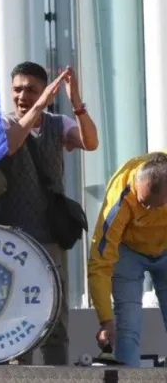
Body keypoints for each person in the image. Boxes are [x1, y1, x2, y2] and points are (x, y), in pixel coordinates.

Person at [0, 61, 99, 365]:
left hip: (50, 236)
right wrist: (39, 105)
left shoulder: (57, 123)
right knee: (15, 316)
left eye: (31, 89)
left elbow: (90, 142)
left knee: (55, 317)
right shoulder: (3, 123)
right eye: (17, 89)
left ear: (45, 90)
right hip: (10, 237)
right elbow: (11, 145)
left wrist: (75, 101)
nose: (22, 95)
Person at [88, 152, 167, 367]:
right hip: (128, 252)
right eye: (143, 203)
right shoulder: (119, 198)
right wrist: (105, 320)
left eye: (155, 205)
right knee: (128, 325)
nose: (147, 210)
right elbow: (100, 262)